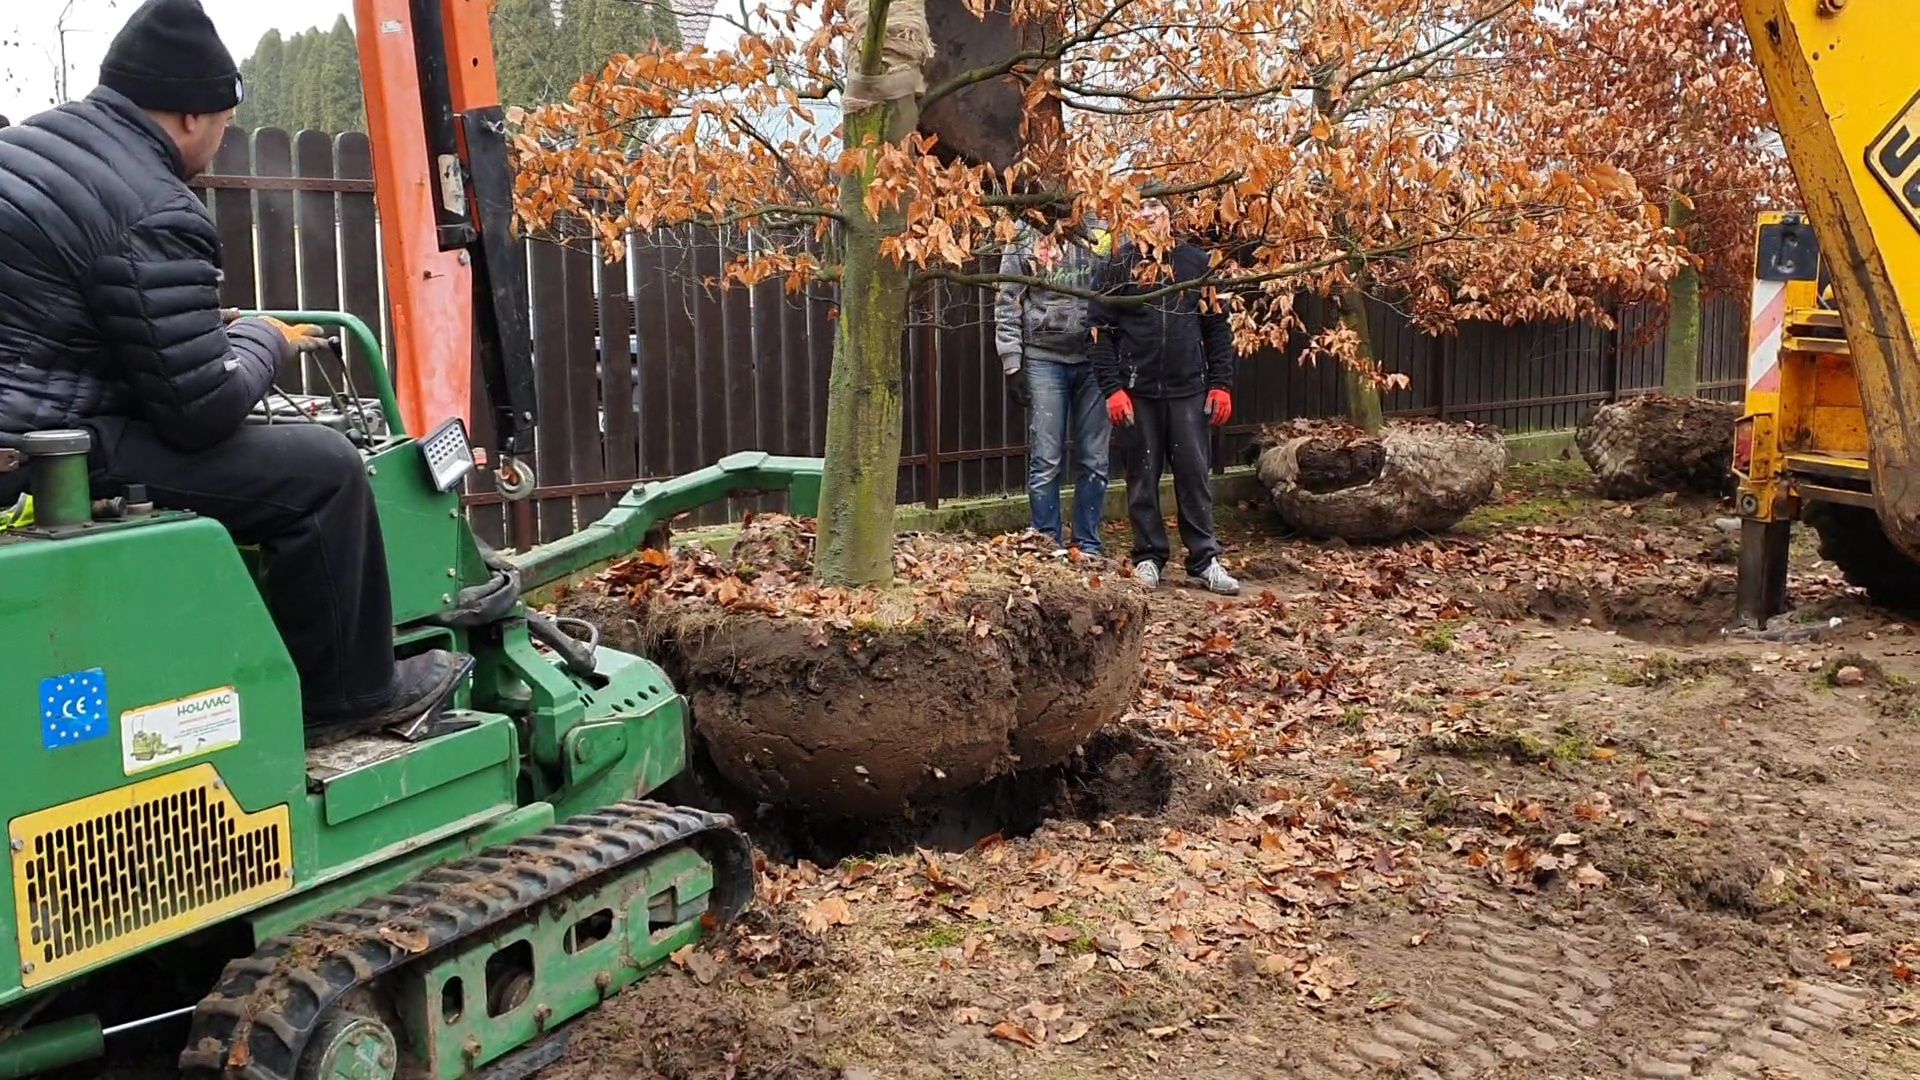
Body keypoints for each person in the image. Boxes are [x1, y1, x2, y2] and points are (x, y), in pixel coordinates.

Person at [0, 0, 464, 745]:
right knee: (325, 467)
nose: (221, 140)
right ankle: (353, 693)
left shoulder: (34, 147)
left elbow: (60, 311)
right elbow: (201, 410)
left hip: (32, 409)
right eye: (222, 123)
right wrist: (263, 340)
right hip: (42, 455)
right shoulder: (156, 206)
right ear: (189, 116)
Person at [1087, 201, 1240, 595]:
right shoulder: (1118, 267)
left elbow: (1217, 327)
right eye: (1138, 207)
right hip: (1136, 393)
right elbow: (1099, 332)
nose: (1147, 214)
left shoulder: (1195, 263)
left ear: (1169, 213)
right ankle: (1149, 557)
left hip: (1189, 389)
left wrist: (1221, 383)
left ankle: (1205, 559)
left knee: (1194, 476)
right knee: (1142, 477)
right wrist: (1112, 389)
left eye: (1155, 205)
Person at [994, 214, 1112, 554]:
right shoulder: (1025, 231)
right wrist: (1012, 364)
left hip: (1095, 359)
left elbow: (1119, 290)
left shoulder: (1103, 227)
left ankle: (1088, 545)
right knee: (1046, 458)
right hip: (1043, 357)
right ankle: (1047, 543)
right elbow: (1006, 299)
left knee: (1095, 459)